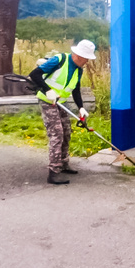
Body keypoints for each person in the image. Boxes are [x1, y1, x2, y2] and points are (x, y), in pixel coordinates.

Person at [29, 39, 96, 185]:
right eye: (86, 58)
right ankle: (53, 172)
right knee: (57, 134)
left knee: (66, 132)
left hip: (61, 102)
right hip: (47, 101)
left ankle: (64, 164)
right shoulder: (59, 60)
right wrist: (48, 90)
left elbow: (76, 89)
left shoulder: (78, 69)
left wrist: (81, 107)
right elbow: (34, 74)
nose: (87, 62)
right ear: (78, 55)